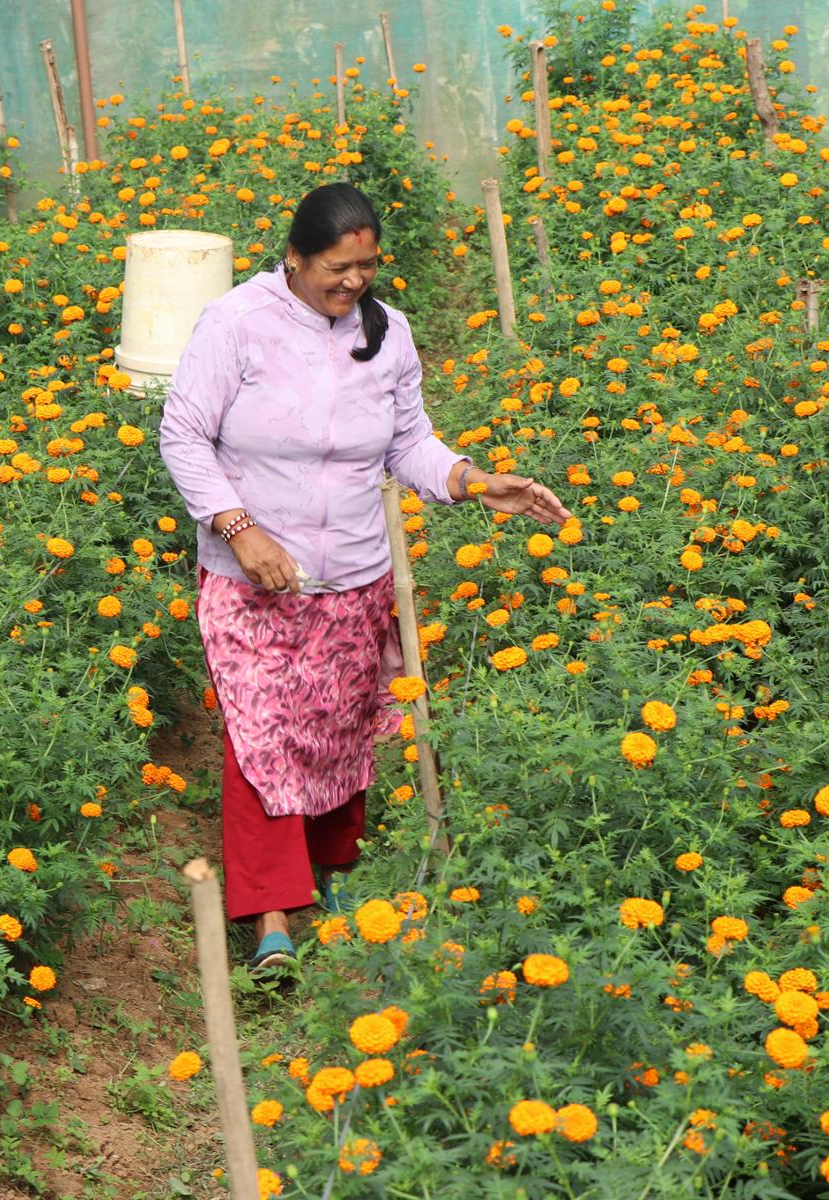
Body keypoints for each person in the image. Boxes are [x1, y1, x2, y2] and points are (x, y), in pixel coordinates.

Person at [157, 182, 572, 971]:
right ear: (294, 258)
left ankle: (337, 877)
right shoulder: (237, 324)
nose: (353, 284)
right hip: (252, 580)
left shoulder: (390, 334)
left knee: (341, 733)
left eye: (367, 269)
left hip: (354, 572)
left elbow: (409, 445)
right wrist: (241, 531)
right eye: (337, 270)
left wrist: (482, 482)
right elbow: (183, 436)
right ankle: (272, 916)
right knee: (261, 738)